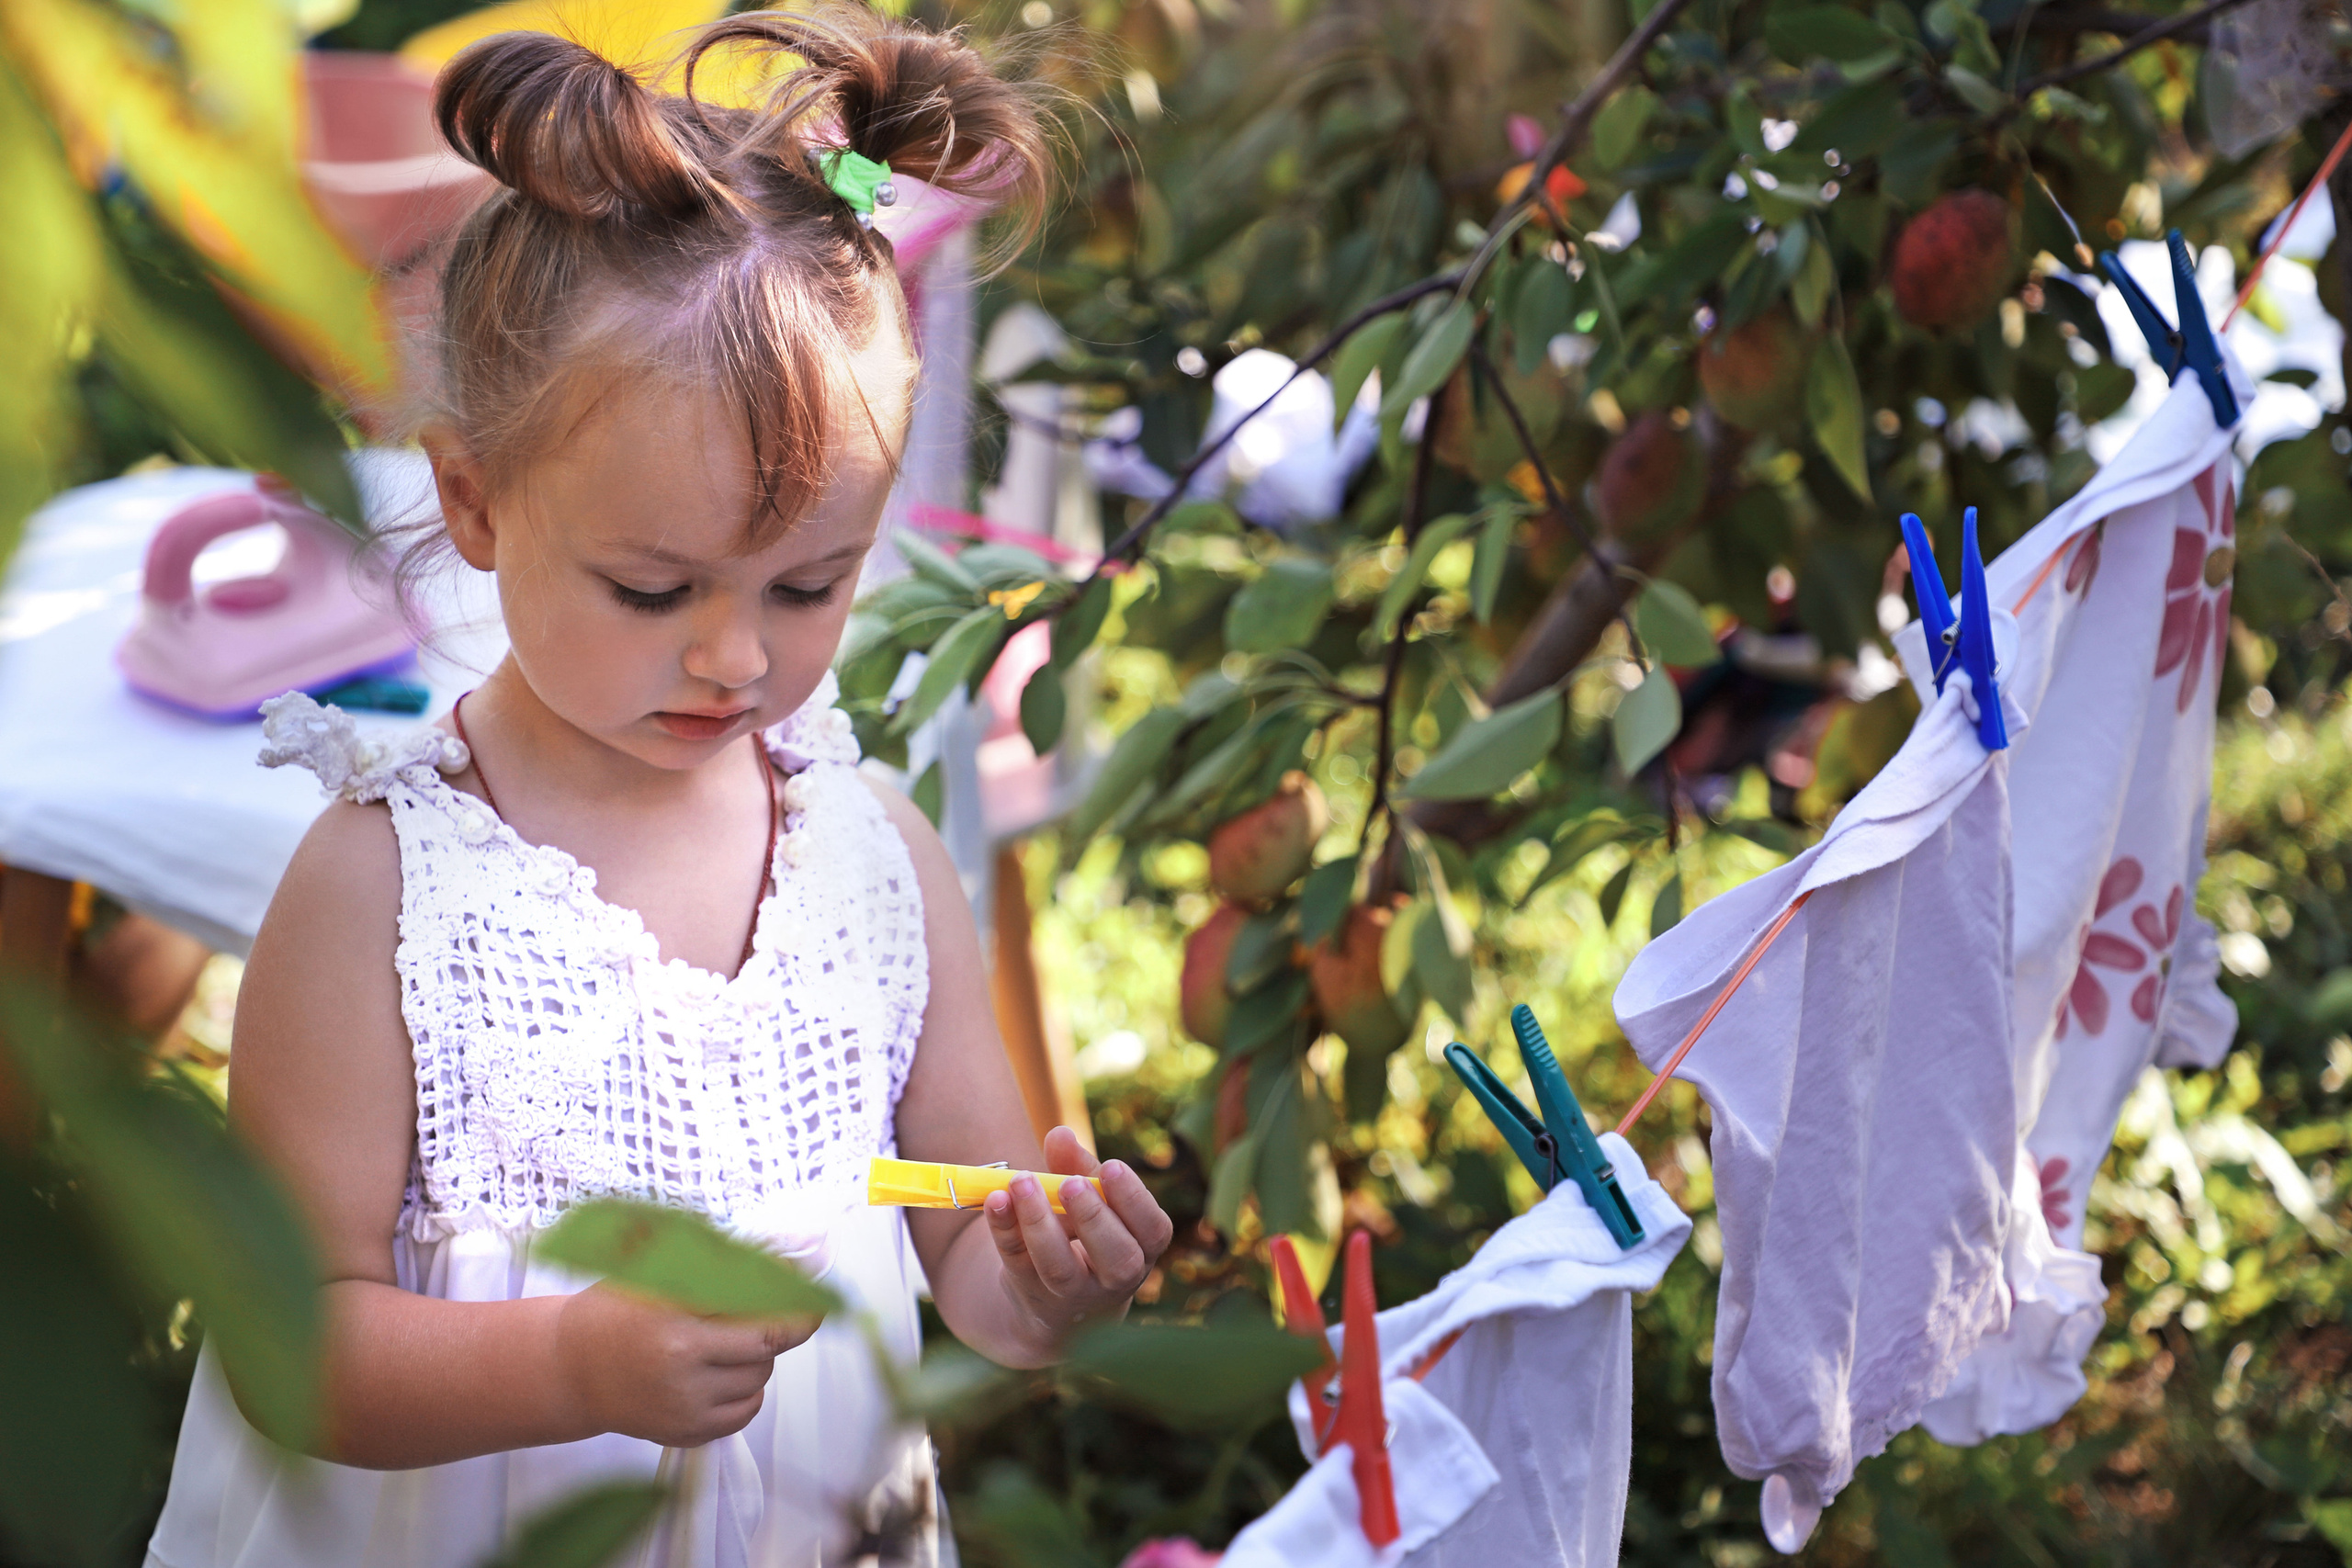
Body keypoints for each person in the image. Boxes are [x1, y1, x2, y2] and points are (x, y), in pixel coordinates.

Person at [144, 12, 1174, 1566]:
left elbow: (967, 1246)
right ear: (476, 504)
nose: (733, 661)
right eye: (652, 589)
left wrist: (1043, 1280)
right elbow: (296, 1342)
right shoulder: (387, 887)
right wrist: (567, 1364)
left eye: (808, 585)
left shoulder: (873, 861)